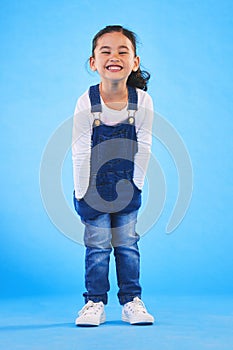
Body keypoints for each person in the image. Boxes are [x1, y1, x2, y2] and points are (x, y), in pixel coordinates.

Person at [72, 25, 154, 326]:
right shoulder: (87, 102)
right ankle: (94, 302)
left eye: (122, 51)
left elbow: (143, 147)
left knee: (127, 245)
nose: (114, 56)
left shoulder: (142, 102)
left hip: (127, 187)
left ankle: (131, 300)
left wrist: (136, 187)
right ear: (94, 62)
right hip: (92, 188)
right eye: (105, 51)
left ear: (134, 62)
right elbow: (80, 150)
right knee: (97, 246)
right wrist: (82, 193)